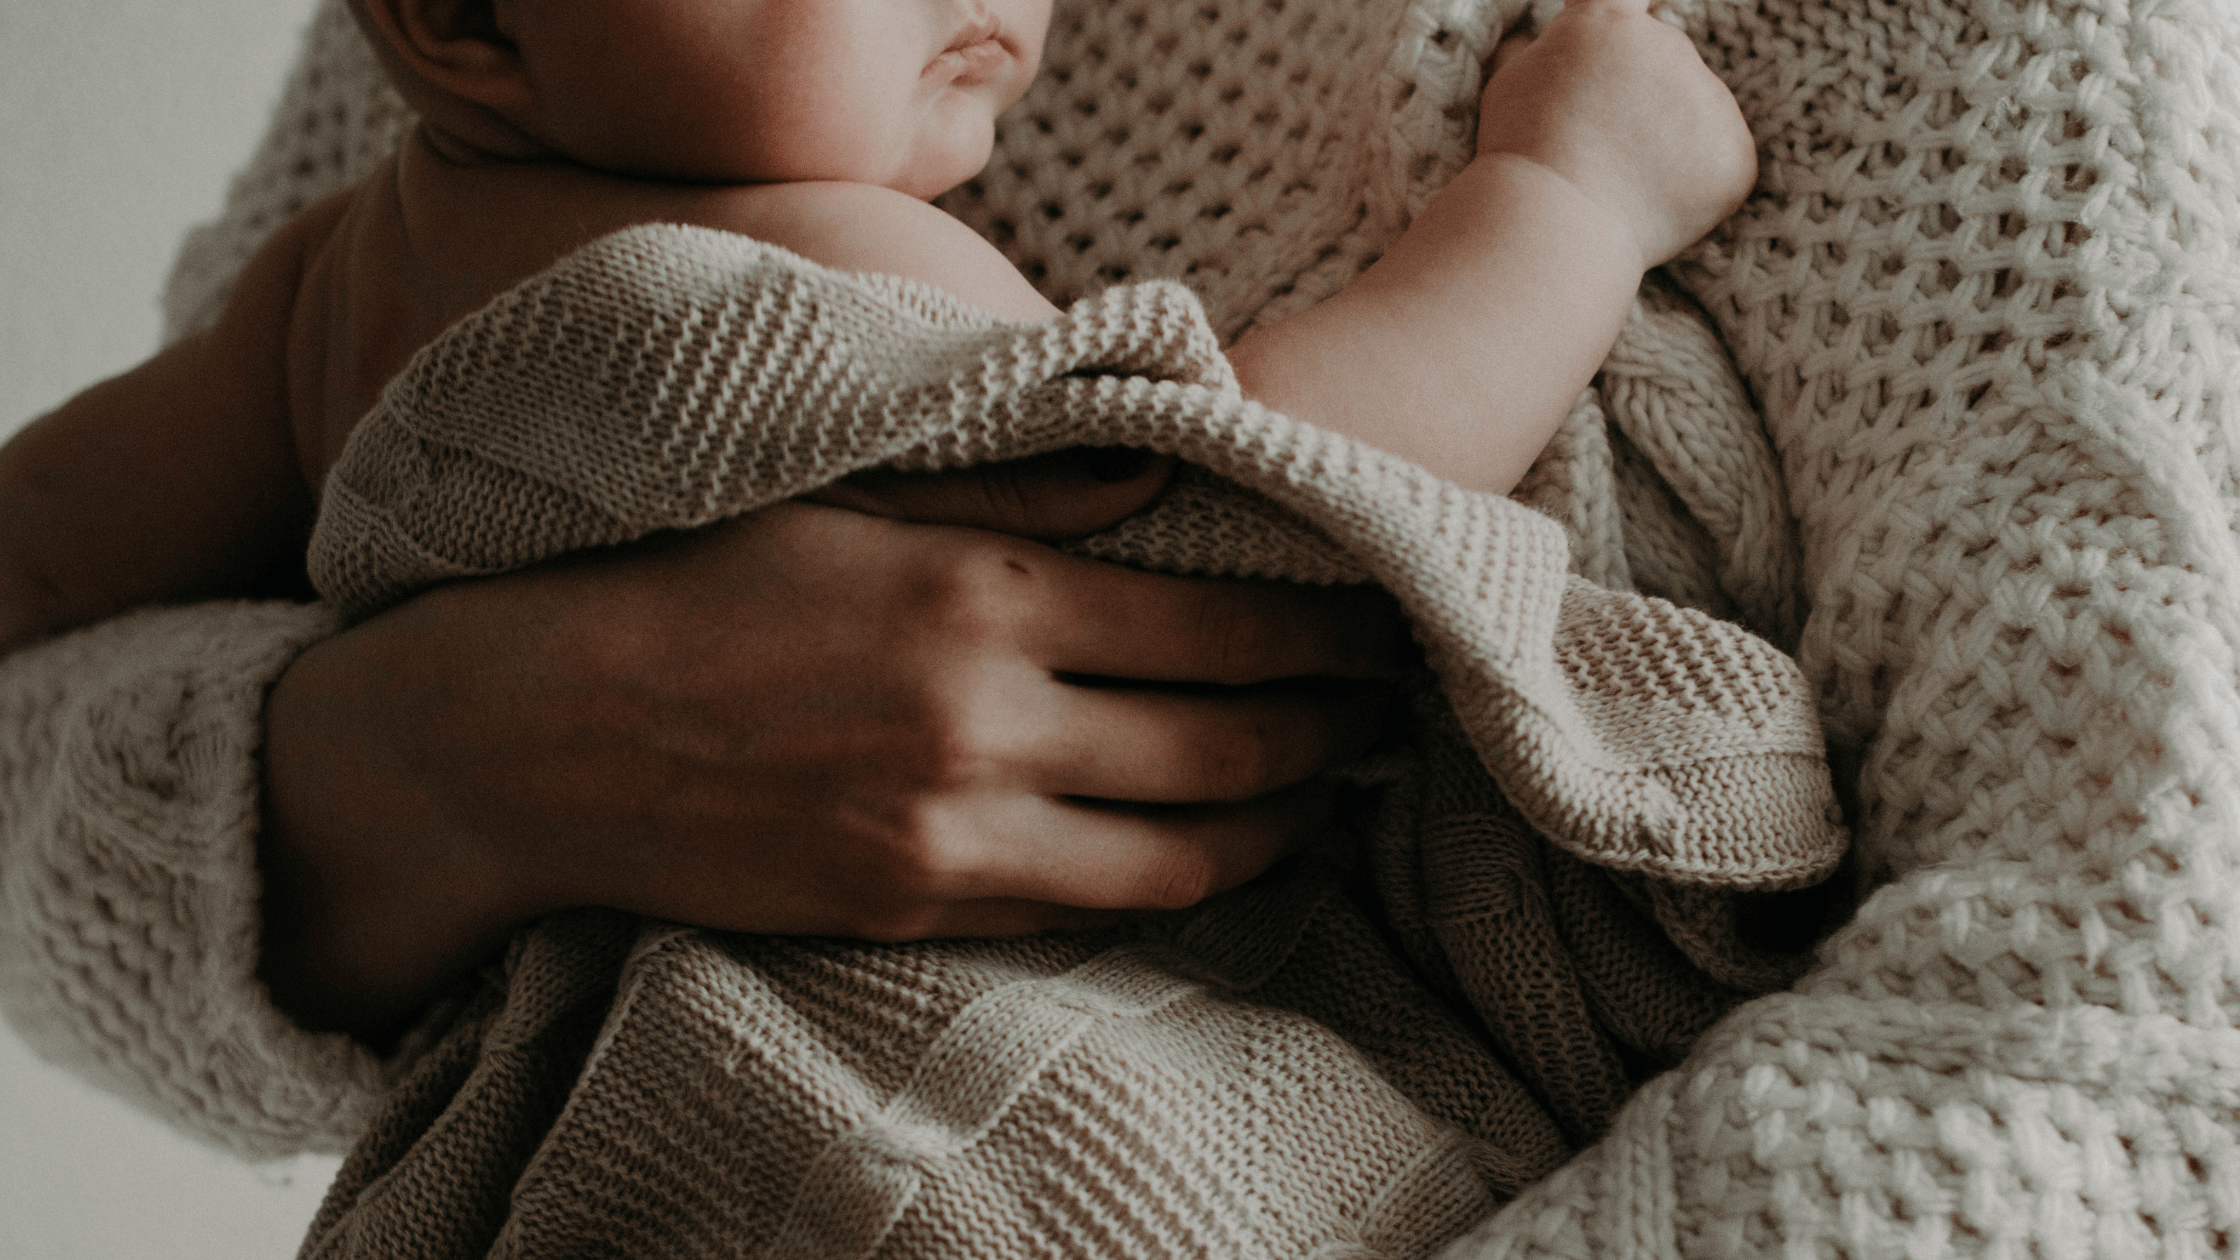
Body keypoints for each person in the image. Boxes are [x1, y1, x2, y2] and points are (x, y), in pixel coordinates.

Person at [0, 0, 1752, 1034]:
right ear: (459, 25)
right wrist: (1564, 203)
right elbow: (1274, 503)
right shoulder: (827, 265)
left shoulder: (317, 302)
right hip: (949, 1053)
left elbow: (45, 556)